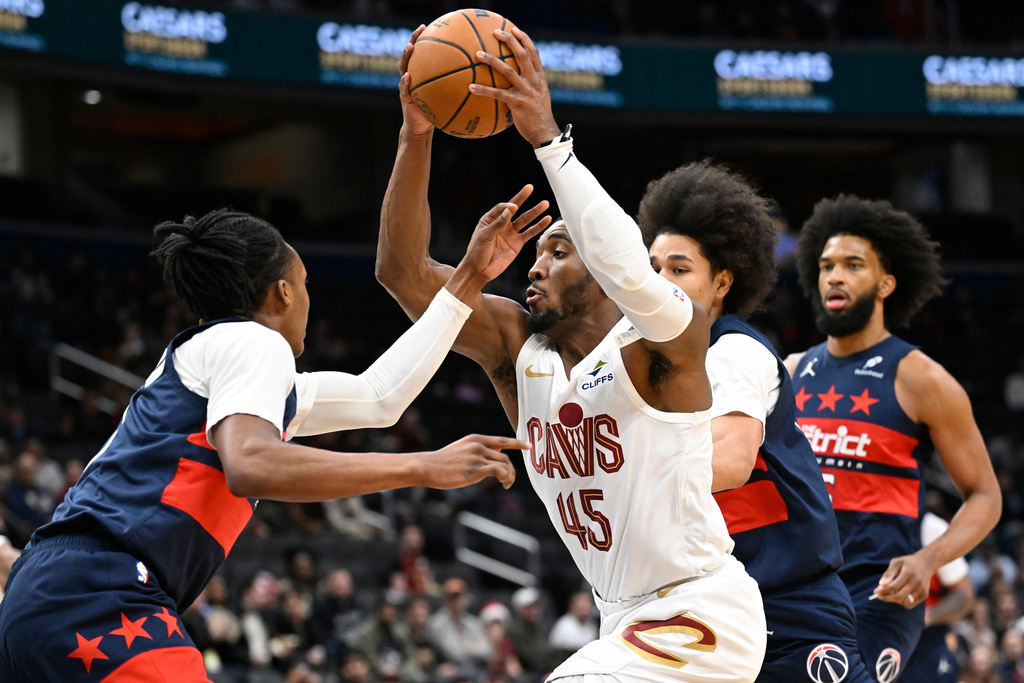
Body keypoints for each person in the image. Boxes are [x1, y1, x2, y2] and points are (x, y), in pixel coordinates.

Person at [376, 23, 766, 683]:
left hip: (701, 611)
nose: (535, 266)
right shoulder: (515, 349)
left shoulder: (668, 343)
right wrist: (417, 135)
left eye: (558, 250)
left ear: (610, 266)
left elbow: (633, 271)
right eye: (535, 254)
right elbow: (402, 273)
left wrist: (549, 144)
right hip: (623, 619)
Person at [0, 206, 538, 682]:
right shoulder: (252, 341)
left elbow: (380, 398)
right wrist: (422, 465)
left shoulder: (219, 363)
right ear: (282, 291)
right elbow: (251, 463)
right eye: (304, 283)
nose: (308, 298)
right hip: (100, 593)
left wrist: (468, 277)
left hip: (55, 592)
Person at [643, 160, 874, 683]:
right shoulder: (655, 366)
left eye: (679, 269)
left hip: (791, 608)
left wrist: (628, 473)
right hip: (713, 607)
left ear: (722, 281)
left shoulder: (734, 353)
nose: (660, 283)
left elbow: (730, 461)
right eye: (652, 268)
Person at [784, 195, 1002, 681]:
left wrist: (930, 559)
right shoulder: (793, 371)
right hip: (798, 587)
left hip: (881, 592)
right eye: (825, 266)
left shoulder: (921, 378)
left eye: (852, 265)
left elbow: (986, 496)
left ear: (886, 283)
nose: (834, 276)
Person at [901, 511, 974, 683]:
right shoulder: (849, 520)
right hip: (873, 633)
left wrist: (926, 616)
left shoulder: (928, 527)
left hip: (925, 640)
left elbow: (965, 596)